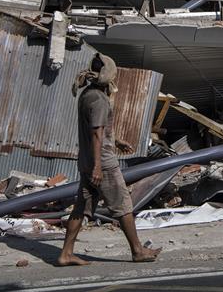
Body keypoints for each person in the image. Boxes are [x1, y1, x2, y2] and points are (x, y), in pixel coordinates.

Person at [57, 52, 161, 266]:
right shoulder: (99, 99)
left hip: (87, 161)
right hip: (102, 164)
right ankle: (137, 250)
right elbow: (97, 133)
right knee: (123, 205)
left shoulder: (87, 95)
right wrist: (98, 167)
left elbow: (99, 131)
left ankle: (66, 254)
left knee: (81, 208)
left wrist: (117, 141)